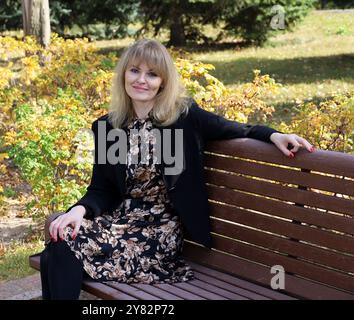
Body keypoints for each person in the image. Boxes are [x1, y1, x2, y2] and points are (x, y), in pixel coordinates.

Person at [40, 39, 315, 300]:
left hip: (160, 231)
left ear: (163, 82)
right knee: (59, 240)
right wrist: (77, 211)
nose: (141, 80)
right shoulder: (109, 127)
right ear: (124, 75)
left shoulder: (183, 117)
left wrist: (274, 135)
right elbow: (103, 189)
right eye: (134, 71)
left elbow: (235, 128)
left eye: (152, 74)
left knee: (61, 250)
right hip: (121, 221)